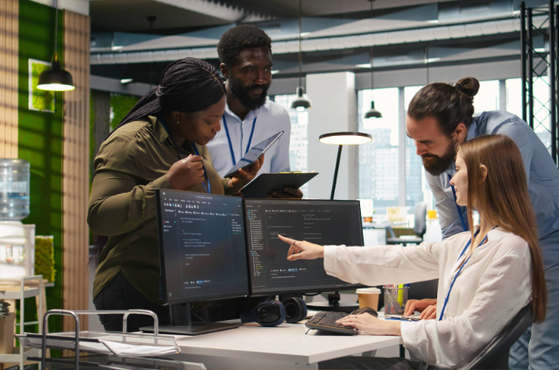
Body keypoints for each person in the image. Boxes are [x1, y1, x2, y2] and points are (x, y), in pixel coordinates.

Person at [279, 134, 547, 370]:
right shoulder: (466, 242)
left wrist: (390, 326)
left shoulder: (511, 249)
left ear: (482, 174)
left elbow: (467, 335)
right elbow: (400, 259)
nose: (452, 179)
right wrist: (324, 252)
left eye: (458, 169)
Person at [88, 57, 262, 332]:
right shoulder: (129, 142)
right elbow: (99, 216)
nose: (217, 129)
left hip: (184, 290)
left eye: (220, 118)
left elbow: (197, 201)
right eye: (210, 120)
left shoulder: (193, 143)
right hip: (137, 288)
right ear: (179, 114)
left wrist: (233, 185)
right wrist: (168, 183)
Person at [405, 77, 559, 369]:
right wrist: (450, 293)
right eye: (413, 139)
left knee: (543, 348)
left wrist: (466, 290)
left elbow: (505, 211)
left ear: (458, 132)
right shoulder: (437, 159)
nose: (418, 151)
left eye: (425, 141)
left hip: (548, 239)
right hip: (506, 242)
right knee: (511, 344)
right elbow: (455, 234)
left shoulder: (505, 135)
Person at [207, 24, 302, 198]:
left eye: (267, 69)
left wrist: (287, 195)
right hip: (212, 217)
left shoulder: (278, 116)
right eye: (250, 70)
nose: (261, 79)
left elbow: (279, 173)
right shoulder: (201, 113)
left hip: (259, 220)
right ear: (225, 71)